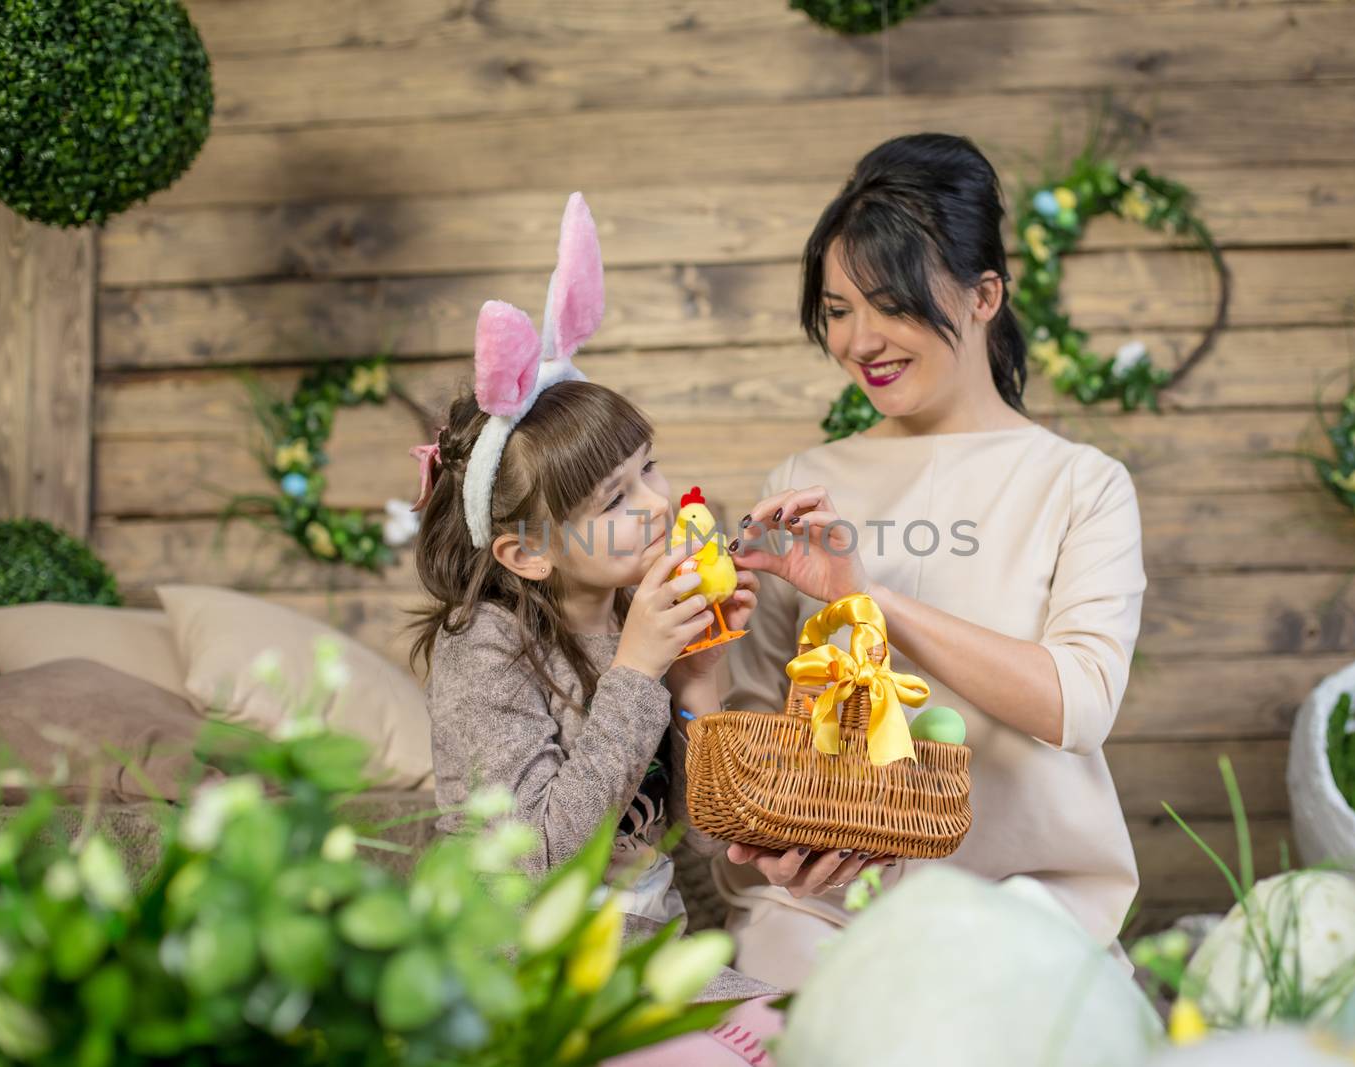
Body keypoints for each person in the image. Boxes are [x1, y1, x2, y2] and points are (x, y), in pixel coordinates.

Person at [713, 133, 1147, 990]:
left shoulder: (1081, 484)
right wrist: (779, 850)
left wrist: (868, 597)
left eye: (892, 302)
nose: (860, 340)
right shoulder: (804, 484)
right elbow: (756, 716)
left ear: (986, 294)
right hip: (826, 914)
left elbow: (1079, 702)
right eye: (838, 309)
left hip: (1028, 907)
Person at [408, 193, 758, 928]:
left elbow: (710, 834)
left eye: (649, 468)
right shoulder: (483, 647)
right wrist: (635, 671)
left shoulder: (635, 614)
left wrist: (700, 674)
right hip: (521, 956)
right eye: (614, 499)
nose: (658, 505)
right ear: (527, 552)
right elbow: (537, 862)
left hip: (646, 946)